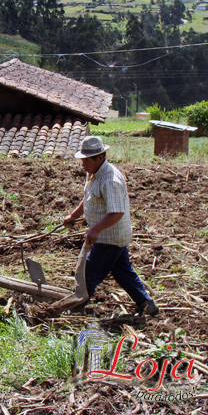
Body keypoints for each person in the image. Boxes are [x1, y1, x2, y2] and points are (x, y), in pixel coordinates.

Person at [64, 136, 159, 317]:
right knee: (122, 272)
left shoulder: (110, 179)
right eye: (81, 159)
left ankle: (76, 308)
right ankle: (147, 304)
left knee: (87, 272)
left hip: (110, 236)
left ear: (100, 158)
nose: (82, 164)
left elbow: (117, 212)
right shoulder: (94, 174)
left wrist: (96, 228)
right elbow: (89, 199)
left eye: (86, 160)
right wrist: (74, 215)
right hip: (108, 235)